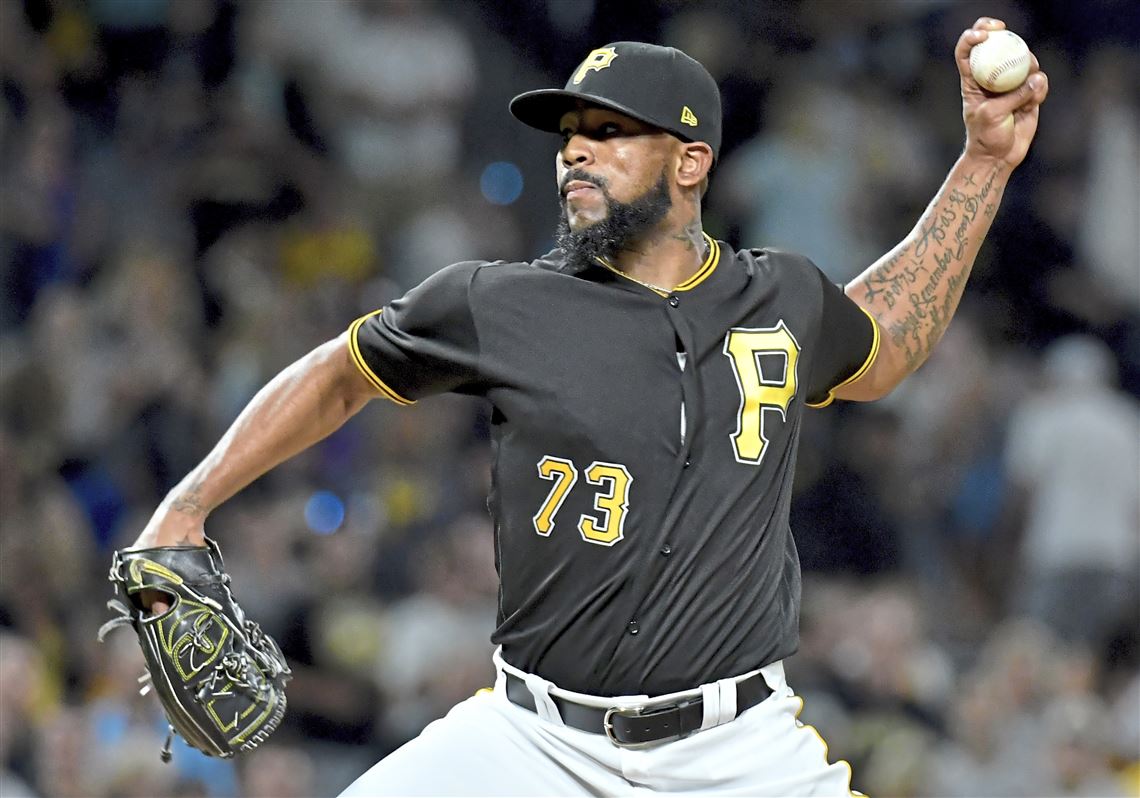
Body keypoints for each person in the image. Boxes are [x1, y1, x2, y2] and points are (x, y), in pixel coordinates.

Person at [130, 18, 1049, 796]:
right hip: (531, 739)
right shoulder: (498, 302)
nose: (576, 148)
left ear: (691, 162)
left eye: (612, 132)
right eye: (572, 131)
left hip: (740, 751)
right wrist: (188, 504)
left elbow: (884, 346)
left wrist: (983, 164)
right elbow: (335, 375)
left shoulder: (784, 297)